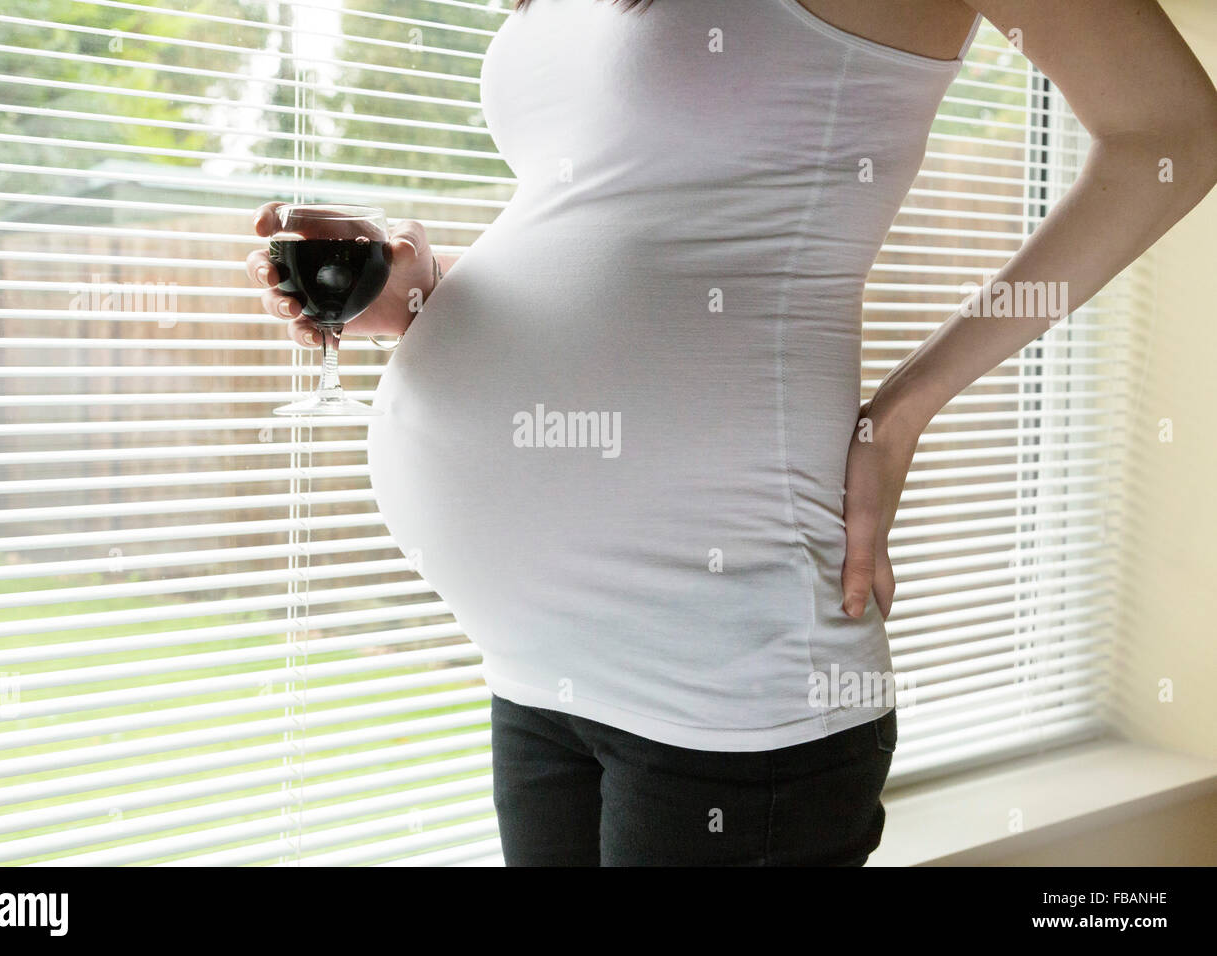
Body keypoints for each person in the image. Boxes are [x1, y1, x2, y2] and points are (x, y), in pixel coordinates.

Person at [246, 0, 1217, 866]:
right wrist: (417, 290)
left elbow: (1172, 131)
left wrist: (903, 409)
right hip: (536, 673)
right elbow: (617, 212)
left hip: (729, 683)